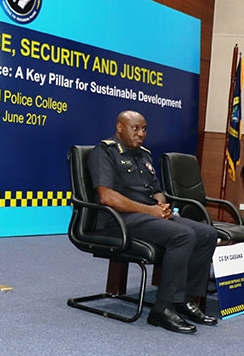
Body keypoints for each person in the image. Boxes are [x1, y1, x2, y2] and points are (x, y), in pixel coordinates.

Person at [88, 110, 219, 334]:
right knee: (183, 235)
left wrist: (161, 204)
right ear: (119, 127)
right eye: (135, 128)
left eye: (144, 129)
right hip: (119, 219)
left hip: (148, 214)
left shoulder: (144, 155)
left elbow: (157, 190)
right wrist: (150, 210)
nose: (141, 133)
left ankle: (184, 300)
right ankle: (163, 308)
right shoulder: (105, 152)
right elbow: (107, 197)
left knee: (207, 233)